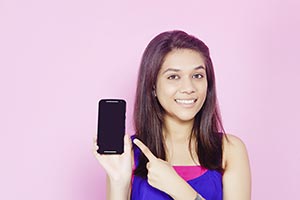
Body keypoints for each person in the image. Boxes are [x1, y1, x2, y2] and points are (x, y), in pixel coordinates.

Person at [94, 30, 251, 200]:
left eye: (197, 75)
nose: (188, 87)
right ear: (153, 86)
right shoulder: (129, 154)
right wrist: (118, 182)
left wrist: (179, 189)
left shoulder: (230, 149)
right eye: (174, 76)